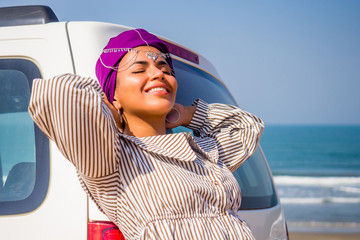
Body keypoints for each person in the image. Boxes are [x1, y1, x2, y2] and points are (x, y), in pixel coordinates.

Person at [29, 28, 264, 240]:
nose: (159, 74)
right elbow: (56, 94)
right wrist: (108, 107)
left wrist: (185, 113)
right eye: (139, 69)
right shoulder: (112, 159)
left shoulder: (201, 150)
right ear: (114, 95)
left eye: (165, 69)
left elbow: (246, 126)